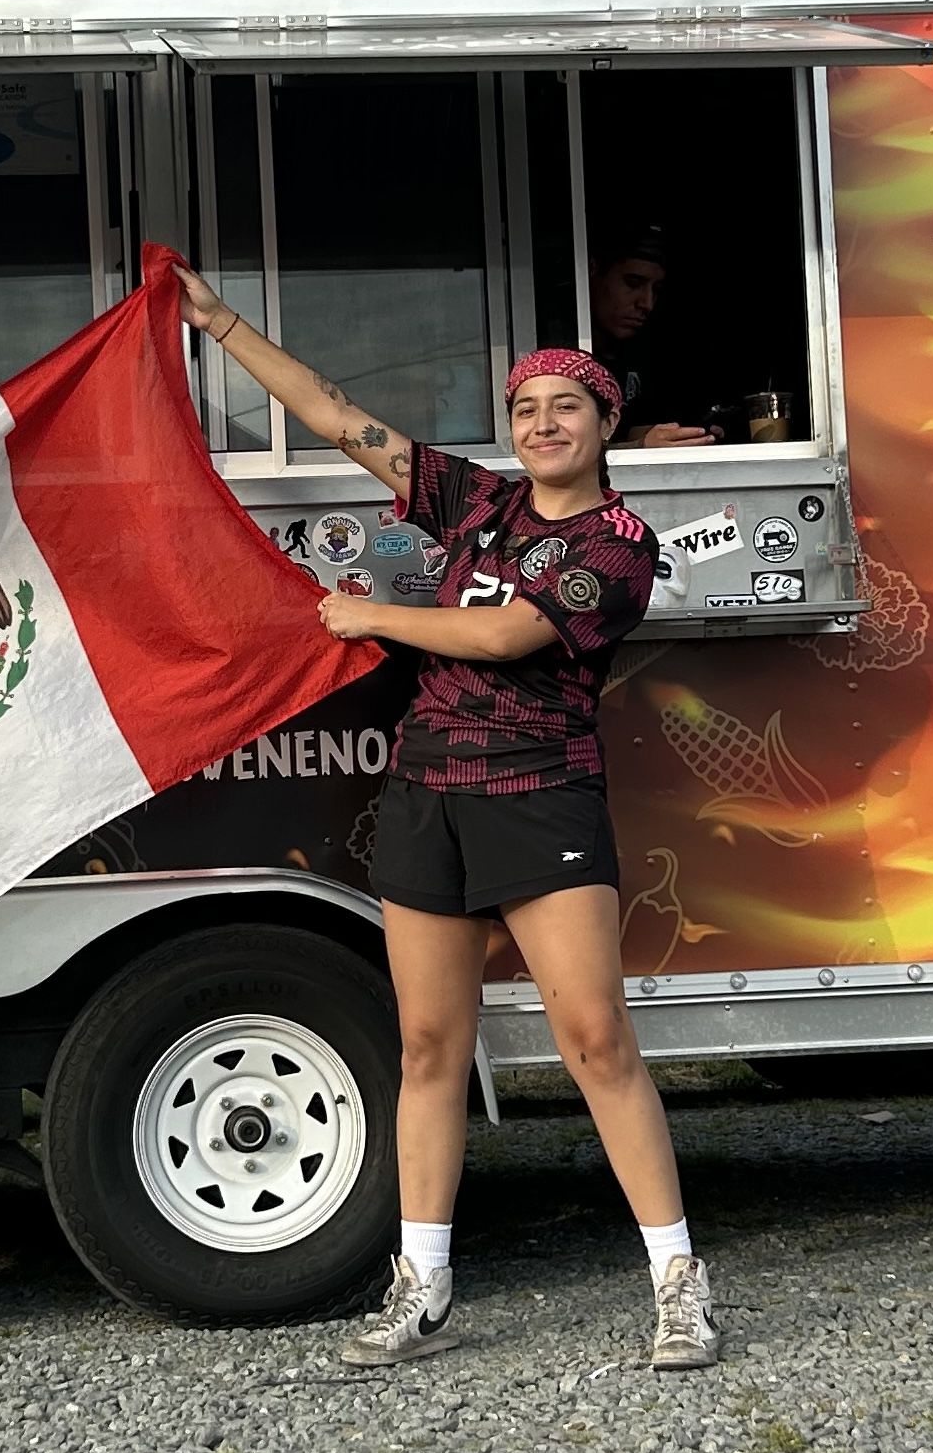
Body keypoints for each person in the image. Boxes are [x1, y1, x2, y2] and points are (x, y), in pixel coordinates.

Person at [175, 263, 720, 1372]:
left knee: (595, 1040)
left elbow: (509, 635)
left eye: (567, 404)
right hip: (428, 796)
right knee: (428, 1044)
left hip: (542, 794)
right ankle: (422, 1284)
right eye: (525, 406)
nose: (543, 421)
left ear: (607, 420)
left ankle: (677, 1280)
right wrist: (217, 318)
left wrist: (367, 612)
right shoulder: (476, 498)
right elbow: (336, 416)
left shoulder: (618, 540)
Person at [589, 225, 718, 448]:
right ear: (593, 272)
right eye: (633, 283)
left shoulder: (651, 356)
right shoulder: (562, 358)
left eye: (656, 290)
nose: (646, 303)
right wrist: (640, 447)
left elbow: (642, 427)